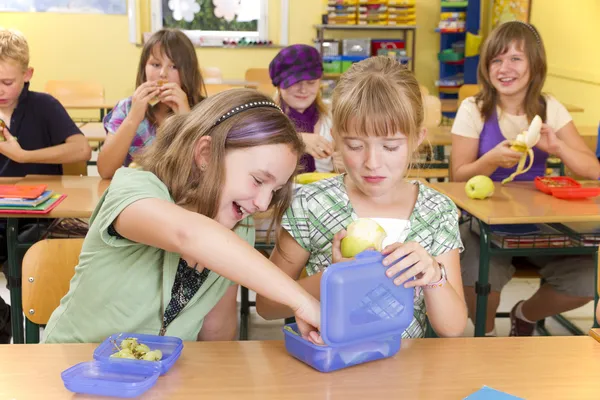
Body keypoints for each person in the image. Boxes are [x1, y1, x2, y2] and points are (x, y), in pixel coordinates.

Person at [43, 89, 321, 344]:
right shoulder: (133, 190)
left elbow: (217, 329)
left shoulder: (240, 229)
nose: (263, 203)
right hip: (71, 372)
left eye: (275, 190)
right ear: (206, 154)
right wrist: (301, 301)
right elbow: (189, 235)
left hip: (161, 382)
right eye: (259, 180)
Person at [256, 56, 467, 338]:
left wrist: (434, 276)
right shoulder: (311, 204)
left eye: (390, 147)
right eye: (355, 145)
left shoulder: (436, 211)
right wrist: (334, 278)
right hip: (331, 368)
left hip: (406, 370)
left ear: (417, 139)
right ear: (336, 139)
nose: (372, 163)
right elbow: (267, 305)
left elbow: (453, 327)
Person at [451, 21, 600, 336]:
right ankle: (487, 335)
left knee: (586, 281)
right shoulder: (473, 109)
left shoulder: (550, 108)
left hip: (540, 222)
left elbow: (592, 169)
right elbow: (457, 176)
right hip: (484, 225)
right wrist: (489, 160)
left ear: (535, 64)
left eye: (515, 58)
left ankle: (526, 314)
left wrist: (558, 147)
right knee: (477, 278)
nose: (504, 68)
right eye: (496, 59)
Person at [0, 28, 91, 343]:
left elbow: (81, 150)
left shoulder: (44, 106)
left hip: (42, 216)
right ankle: (4, 322)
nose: (0, 90)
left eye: (7, 82)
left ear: (28, 74)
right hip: (3, 214)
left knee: (30, 258)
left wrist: (24, 156)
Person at [97, 28, 205, 179]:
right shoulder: (126, 108)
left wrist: (186, 118)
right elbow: (105, 170)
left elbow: (206, 174)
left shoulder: (205, 110)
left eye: (174, 66)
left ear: (188, 72)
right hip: (138, 195)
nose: (163, 74)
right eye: (155, 64)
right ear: (144, 68)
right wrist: (133, 118)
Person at [269, 44, 343, 173]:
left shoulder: (332, 118)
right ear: (279, 83)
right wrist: (295, 140)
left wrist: (342, 166)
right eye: (296, 82)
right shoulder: (264, 118)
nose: (303, 90)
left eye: (311, 83)